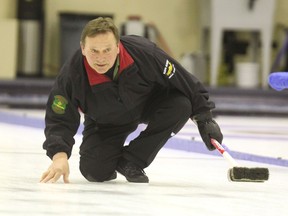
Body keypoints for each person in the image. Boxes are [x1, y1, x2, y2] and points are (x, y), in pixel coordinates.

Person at [40, 17, 223, 184]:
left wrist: (205, 118)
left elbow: (182, 79)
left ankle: (132, 160)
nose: (101, 58)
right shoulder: (72, 74)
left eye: (107, 50)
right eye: (94, 51)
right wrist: (59, 157)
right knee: (95, 172)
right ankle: (110, 158)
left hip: (147, 105)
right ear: (82, 48)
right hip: (106, 121)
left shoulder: (144, 53)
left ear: (118, 46)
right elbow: (59, 117)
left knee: (181, 105)